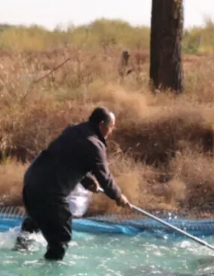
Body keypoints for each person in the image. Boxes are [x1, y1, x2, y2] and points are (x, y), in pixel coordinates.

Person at [15, 107, 130, 260]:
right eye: (111, 126)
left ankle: (17, 259)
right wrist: (119, 197)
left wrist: (87, 181)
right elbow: (105, 177)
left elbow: (65, 159)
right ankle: (49, 273)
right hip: (50, 192)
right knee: (61, 238)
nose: (111, 131)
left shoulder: (73, 130)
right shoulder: (95, 144)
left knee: (33, 225)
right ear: (102, 124)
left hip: (31, 181)